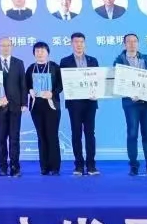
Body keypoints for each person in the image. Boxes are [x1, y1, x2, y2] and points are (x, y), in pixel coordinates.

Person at [113, 34, 147, 176]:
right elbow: (118, 83)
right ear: (124, 44)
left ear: (138, 43)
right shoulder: (119, 62)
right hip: (131, 103)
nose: (132, 44)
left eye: (135, 41)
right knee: (132, 134)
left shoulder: (145, 60)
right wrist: (129, 93)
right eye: (129, 41)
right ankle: (133, 166)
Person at [59, 33, 99, 175]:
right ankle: (79, 165)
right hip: (74, 104)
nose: (79, 44)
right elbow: (62, 83)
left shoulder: (93, 60)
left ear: (84, 43)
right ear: (71, 44)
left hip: (90, 103)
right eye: (76, 42)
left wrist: (97, 92)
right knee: (76, 133)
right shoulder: (65, 61)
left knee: (90, 134)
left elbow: (98, 81)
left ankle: (91, 165)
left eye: (81, 42)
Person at [0, 37, 26, 176]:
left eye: (8, 45)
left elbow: (23, 84)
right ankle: (2, 166)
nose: (5, 48)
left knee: (14, 137)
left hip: (16, 106)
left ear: (12, 46)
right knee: (1, 137)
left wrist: (24, 103)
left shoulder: (19, 63)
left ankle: (15, 166)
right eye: (2, 45)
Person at [25, 41, 63, 175]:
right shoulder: (31, 68)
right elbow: (26, 85)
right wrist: (29, 90)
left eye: (42, 50)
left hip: (52, 106)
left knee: (52, 135)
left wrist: (52, 93)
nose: (40, 53)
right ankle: (44, 167)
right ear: (34, 53)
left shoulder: (55, 67)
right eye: (37, 51)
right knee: (41, 136)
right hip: (36, 107)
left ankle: (55, 167)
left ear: (48, 52)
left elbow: (61, 85)